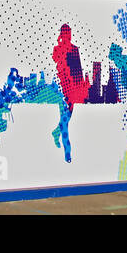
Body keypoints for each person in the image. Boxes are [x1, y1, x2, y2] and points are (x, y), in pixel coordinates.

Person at [51, 24, 86, 162]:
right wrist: (61, 44)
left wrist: (81, 88)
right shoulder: (58, 48)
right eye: (65, 33)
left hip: (73, 90)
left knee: (67, 118)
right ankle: (68, 153)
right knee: (65, 121)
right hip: (62, 88)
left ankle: (56, 133)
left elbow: (78, 70)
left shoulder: (74, 49)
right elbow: (55, 58)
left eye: (68, 33)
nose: (67, 35)